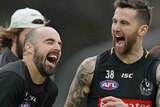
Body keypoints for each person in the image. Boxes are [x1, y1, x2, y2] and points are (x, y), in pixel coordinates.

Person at [64, 0, 160, 107]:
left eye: (124, 23)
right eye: (114, 21)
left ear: (142, 30)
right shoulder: (90, 67)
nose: (116, 28)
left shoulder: (156, 71)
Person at [0, 26, 62, 107]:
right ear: (29, 48)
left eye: (60, 45)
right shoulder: (11, 78)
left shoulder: (51, 90)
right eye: (50, 42)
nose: (58, 48)